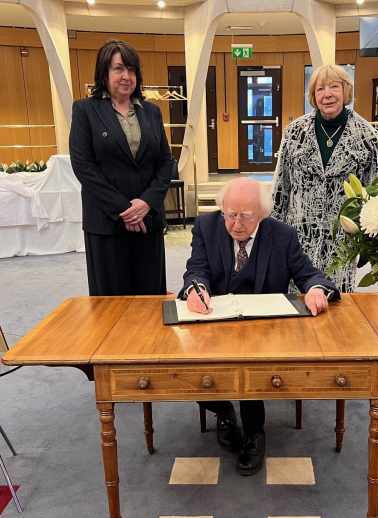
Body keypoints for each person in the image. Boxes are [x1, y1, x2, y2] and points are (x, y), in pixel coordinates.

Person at [179, 177, 340, 476]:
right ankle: (224, 411)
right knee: (185, 365)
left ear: (262, 215)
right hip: (215, 321)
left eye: (246, 216)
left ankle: (254, 432)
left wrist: (317, 289)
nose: (236, 224)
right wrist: (195, 288)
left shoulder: (283, 236)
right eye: (231, 214)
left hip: (263, 329)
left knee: (250, 367)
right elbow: (196, 268)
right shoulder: (206, 227)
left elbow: (309, 274)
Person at [69, 40, 173, 296]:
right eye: (118, 69)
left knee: (151, 299)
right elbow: (84, 166)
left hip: (148, 221)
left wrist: (146, 203)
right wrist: (125, 210)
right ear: (104, 73)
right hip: (106, 223)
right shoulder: (85, 110)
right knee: (111, 306)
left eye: (131, 69)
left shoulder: (151, 112)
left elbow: (165, 162)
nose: (126, 76)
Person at [272, 64, 378, 292]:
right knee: (298, 300)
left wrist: (370, 240)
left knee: (338, 304)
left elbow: (372, 191)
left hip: (341, 239)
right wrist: (273, 234)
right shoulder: (295, 132)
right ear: (313, 96)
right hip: (299, 235)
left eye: (334, 87)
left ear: (346, 91)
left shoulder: (367, 135)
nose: (327, 94)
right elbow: (281, 187)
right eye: (320, 89)